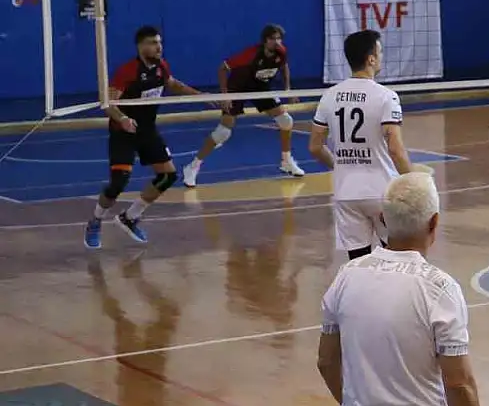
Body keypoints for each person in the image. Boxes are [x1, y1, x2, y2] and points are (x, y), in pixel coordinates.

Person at [318, 171, 480, 406]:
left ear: (383, 219)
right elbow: (459, 384)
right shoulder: (441, 289)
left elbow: (326, 361)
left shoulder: (346, 276)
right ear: (434, 222)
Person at [84, 25, 207, 249]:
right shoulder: (127, 71)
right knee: (118, 183)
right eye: (153, 43)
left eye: (159, 42)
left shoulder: (161, 67)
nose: (159, 47)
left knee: (168, 176)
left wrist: (201, 96)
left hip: (148, 130)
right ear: (141, 46)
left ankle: (130, 217)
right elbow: (108, 103)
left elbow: (173, 84)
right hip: (124, 132)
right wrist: (123, 119)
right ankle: (95, 221)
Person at [310, 30, 414, 260]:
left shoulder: (329, 96)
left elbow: (315, 147)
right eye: (380, 52)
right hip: (381, 192)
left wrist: (340, 165)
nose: (382, 56)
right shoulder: (386, 97)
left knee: (358, 261)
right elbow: (395, 149)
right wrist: (416, 182)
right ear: (371, 59)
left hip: (346, 192)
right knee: (395, 259)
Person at [183, 24, 305, 188]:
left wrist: (288, 89)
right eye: (272, 39)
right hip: (238, 88)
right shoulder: (251, 54)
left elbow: (284, 66)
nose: (276, 42)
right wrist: (225, 95)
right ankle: (193, 166)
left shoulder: (281, 52)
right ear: (264, 41)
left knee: (286, 121)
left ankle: (286, 161)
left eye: (279, 38)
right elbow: (222, 68)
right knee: (223, 133)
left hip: (260, 88)